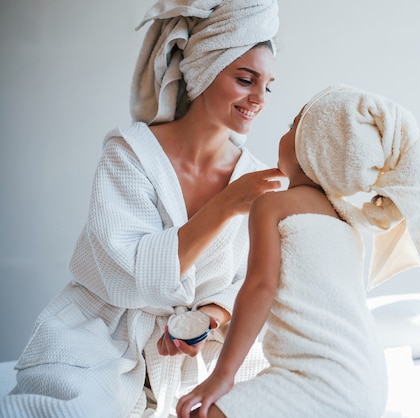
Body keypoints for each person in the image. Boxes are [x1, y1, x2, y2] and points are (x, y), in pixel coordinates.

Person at [0, 1, 282, 417]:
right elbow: (129, 273)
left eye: (268, 85)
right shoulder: (129, 154)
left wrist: (207, 317)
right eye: (245, 79)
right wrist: (225, 204)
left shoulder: (256, 176)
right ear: (203, 68)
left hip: (199, 352)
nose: (259, 98)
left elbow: (251, 279)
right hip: (107, 337)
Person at [176, 84, 420, 418]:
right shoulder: (349, 225)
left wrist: (221, 377)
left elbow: (259, 288)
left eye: (292, 126)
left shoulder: (273, 205)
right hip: (369, 382)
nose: (285, 132)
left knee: (203, 412)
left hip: (320, 381)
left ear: (313, 144)